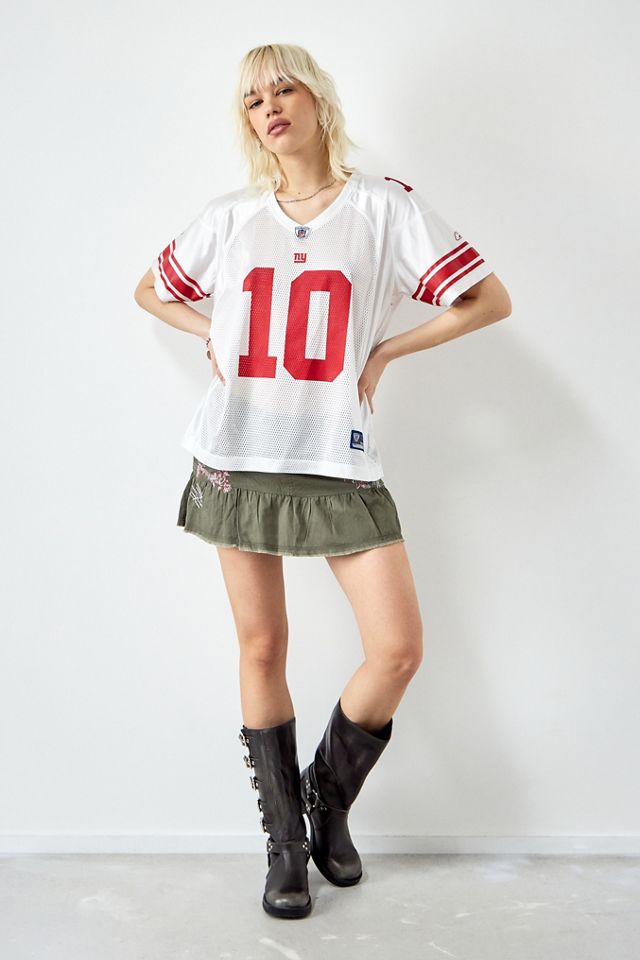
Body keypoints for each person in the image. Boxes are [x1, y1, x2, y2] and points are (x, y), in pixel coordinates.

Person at [134, 43, 512, 920]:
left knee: (398, 650)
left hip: (337, 456)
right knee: (263, 647)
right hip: (237, 455)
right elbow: (151, 289)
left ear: (316, 100)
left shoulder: (384, 208)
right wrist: (208, 329)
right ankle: (284, 844)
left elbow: (486, 300)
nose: (270, 106)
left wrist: (385, 351)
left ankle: (325, 798)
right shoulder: (231, 217)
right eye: (253, 98)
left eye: (284, 88)